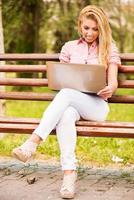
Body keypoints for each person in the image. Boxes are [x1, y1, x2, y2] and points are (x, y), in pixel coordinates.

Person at [12, 5, 121, 199]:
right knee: (66, 115)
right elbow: (61, 80)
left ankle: (32, 143)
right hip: (71, 103)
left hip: (96, 105)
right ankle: (69, 177)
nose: (90, 33)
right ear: (80, 25)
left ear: (101, 29)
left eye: (95, 29)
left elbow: (113, 82)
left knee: (67, 94)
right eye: (86, 28)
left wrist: (110, 88)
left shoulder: (109, 47)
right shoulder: (69, 47)